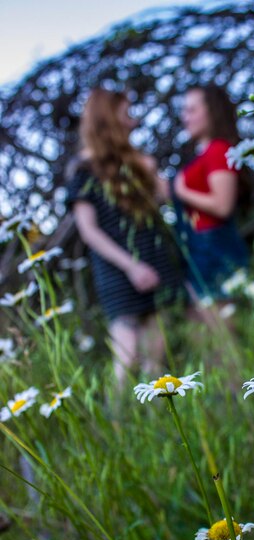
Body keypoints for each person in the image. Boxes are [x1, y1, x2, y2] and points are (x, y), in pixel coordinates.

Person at [66, 88, 184, 384]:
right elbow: (89, 231)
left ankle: (157, 423)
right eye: (126, 114)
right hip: (118, 268)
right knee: (127, 356)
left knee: (155, 357)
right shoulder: (82, 169)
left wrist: (152, 173)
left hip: (154, 257)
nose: (133, 122)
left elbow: (169, 199)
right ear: (109, 118)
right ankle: (116, 427)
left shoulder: (136, 163)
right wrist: (131, 266)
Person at [173, 84, 249, 324]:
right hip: (199, 246)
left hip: (214, 246)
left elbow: (222, 205)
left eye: (192, 110)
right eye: (184, 111)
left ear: (212, 111)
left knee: (220, 329)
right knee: (203, 329)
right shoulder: (204, 154)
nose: (186, 117)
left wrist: (181, 190)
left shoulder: (218, 150)